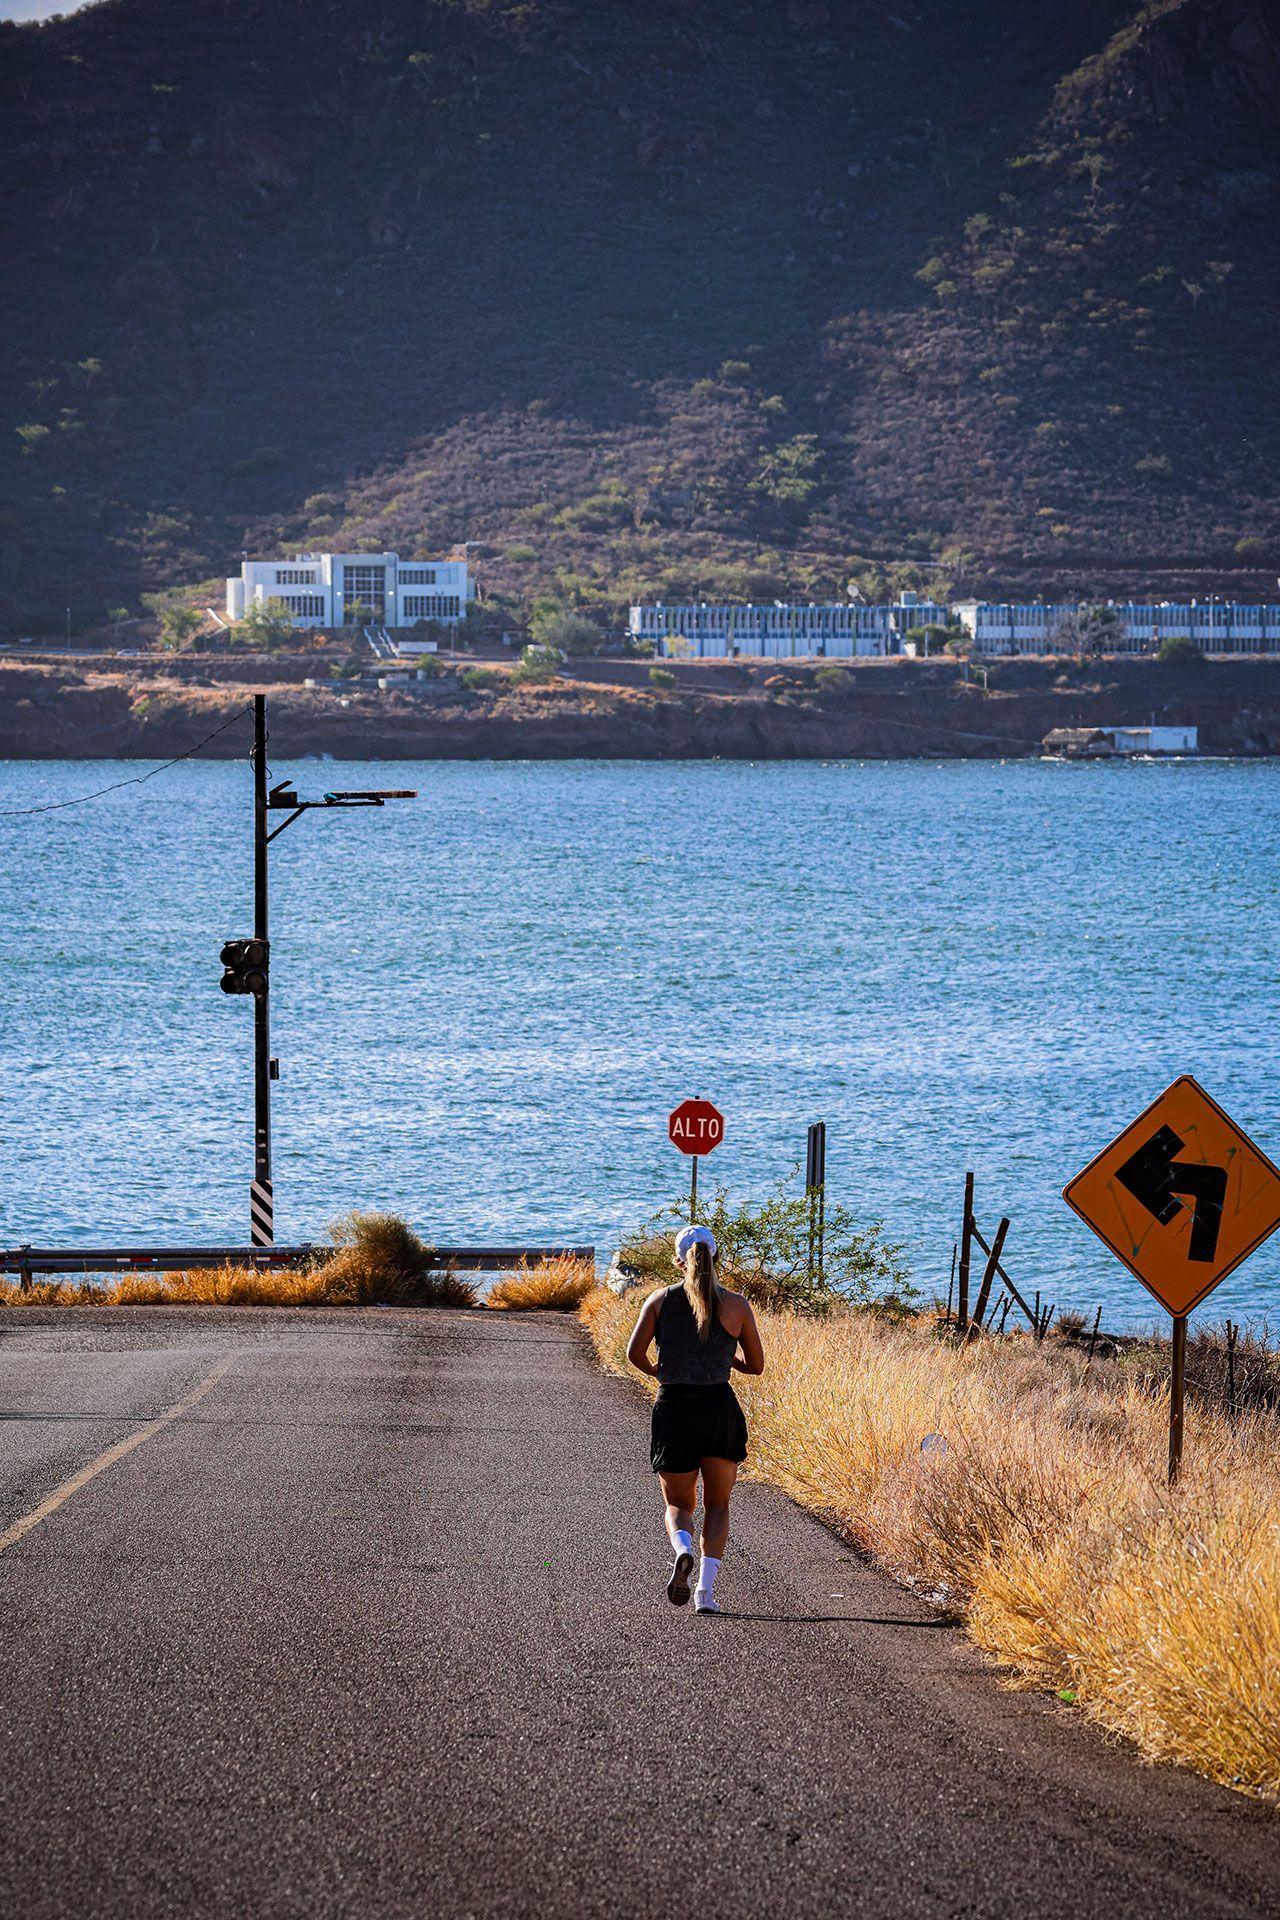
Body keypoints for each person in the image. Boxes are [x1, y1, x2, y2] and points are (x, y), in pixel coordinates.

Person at [625, 1224, 765, 1614]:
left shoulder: (659, 1301)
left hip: (674, 1409)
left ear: (678, 1261)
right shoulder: (736, 1305)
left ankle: (682, 1549)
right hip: (718, 1410)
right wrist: (726, 1357)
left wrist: (657, 1371)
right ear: (716, 1257)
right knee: (718, 1505)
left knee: (679, 1505)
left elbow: (634, 1354)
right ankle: (705, 1591)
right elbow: (756, 1366)